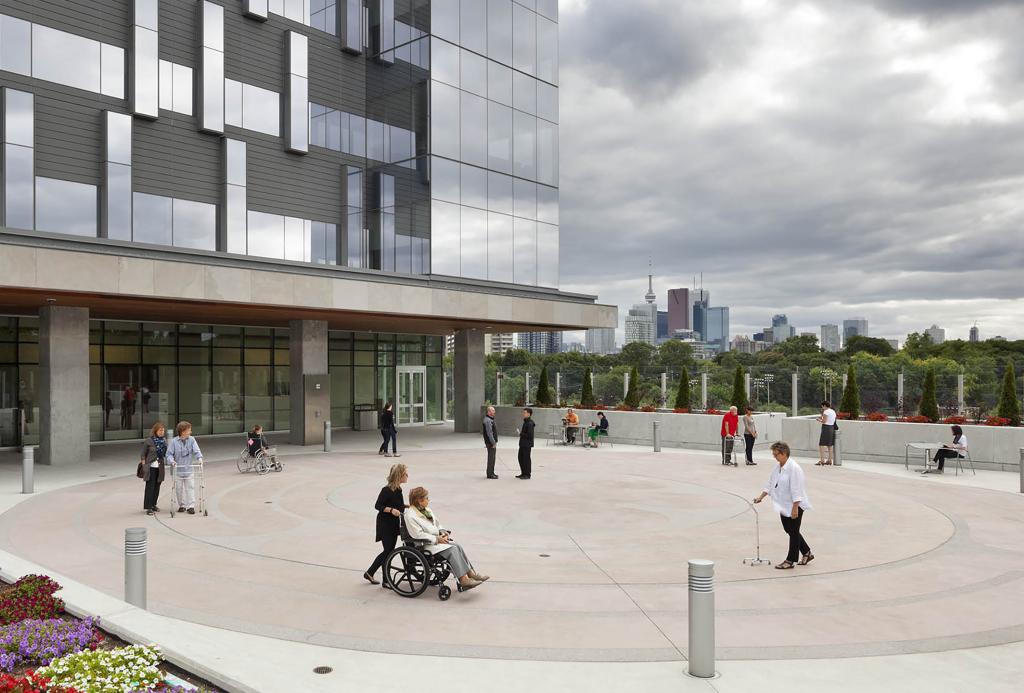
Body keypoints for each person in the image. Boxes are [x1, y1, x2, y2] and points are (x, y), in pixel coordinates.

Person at [404, 487, 488, 591]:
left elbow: (438, 525)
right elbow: (418, 535)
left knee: (457, 546)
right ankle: (463, 580)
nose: (428, 500)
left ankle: (471, 574)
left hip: (436, 540)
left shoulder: (427, 510)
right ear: (420, 500)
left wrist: (444, 532)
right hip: (425, 545)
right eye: (427, 498)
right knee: (452, 550)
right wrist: (436, 539)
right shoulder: (410, 515)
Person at [753, 441, 813, 569]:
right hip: (783, 505)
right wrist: (761, 497)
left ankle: (790, 560)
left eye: (776, 455)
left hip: (795, 505)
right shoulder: (778, 467)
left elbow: (797, 489)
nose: (774, 457)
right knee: (790, 530)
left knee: (794, 531)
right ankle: (807, 552)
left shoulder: (794, 468)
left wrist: (795, 507)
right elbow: (770, 483)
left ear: (784, 453)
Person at [364, 463, 408, 588]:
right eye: (405, 473)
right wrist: (391, 510)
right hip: (385, 524)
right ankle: (384, 580)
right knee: (388, 552)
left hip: (394, 525)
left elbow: (398, 505)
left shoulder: (398, 489)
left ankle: (371, 573)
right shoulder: (386, 490)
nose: (407, 476)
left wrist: (408, 506)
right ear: (399, 475)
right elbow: (378, 506)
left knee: (388, 552)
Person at [167, 421, 203, 515]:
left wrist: (199, 458)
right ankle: (182, 505)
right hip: (178, 470)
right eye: (189, 430)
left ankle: (190, 506)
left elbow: (196, 450)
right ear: (183, 431)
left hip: (188, 469)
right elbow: (169, 454)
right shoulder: (174, 442)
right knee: (178, 489)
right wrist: (172, 461)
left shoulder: (192, 440)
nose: (190, 432)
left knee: (190, 487)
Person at [139, 422, 167, 516]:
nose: (162, 432)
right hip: (150, 467)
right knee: (150, 487)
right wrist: (144, 466)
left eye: (163, 430)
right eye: (160, 430)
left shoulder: (164, 441)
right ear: (155, 430)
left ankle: (154, 504)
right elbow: (143, 454)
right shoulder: (149, 441)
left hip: (160, 467)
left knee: (157, 486)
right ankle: (148, 507)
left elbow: (165, 453)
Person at [516, 408, 535, 479]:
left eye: (525, 413)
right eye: (523, 412)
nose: (523, 414)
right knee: (521, 458)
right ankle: (523, 473)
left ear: (529, 414)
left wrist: (520, 433)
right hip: (523, 444)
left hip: (527, 445)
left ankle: (527, 474)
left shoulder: (530, 423)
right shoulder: (526, 422)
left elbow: (530, 436)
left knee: (526, 459)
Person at [816, 401, 837, 465]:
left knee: (821, 445)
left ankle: (822, 460)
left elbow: (824, 421)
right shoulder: (833, 411)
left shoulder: (826, 411)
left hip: (826, 428)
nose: (822, 408)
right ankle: (830, 460)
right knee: (829, 445)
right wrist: (822, 417)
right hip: (831, 428)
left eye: (822, 406)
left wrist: (818, 419)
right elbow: (831, 420)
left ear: (824, 406)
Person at [482, 406, 498, 479]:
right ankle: (490, 474)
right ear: (488, 412)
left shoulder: (490, 419)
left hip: (491, 442)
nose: (494, 412)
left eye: (494, 410)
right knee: (491, 458)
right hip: (490, 443)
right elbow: (489, 433)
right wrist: (493, 442)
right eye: (493, 410)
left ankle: (492, 472)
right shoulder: (488, 420)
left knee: (492, 458)